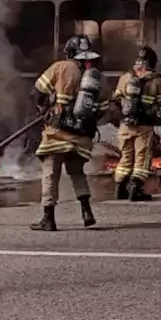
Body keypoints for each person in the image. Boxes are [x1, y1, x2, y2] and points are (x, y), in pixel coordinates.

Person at [30, 34, 106, 231]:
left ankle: (48, 219)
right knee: (77, 172)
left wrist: (44, 110)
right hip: (82, 137)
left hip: (57, 133)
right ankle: (86, 211)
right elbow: (104, 108)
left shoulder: (60, 67)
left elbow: (37, 92)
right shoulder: (97, 77)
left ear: (70, 52)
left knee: (50, 173)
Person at [112, 46, 161, 201]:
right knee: (142, 158)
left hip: (125, 125)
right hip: (144, 126)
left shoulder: (125, 77)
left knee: (125, 157)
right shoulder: (156, 80)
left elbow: (116, 99)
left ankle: (120, 188)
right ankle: (136, 190)